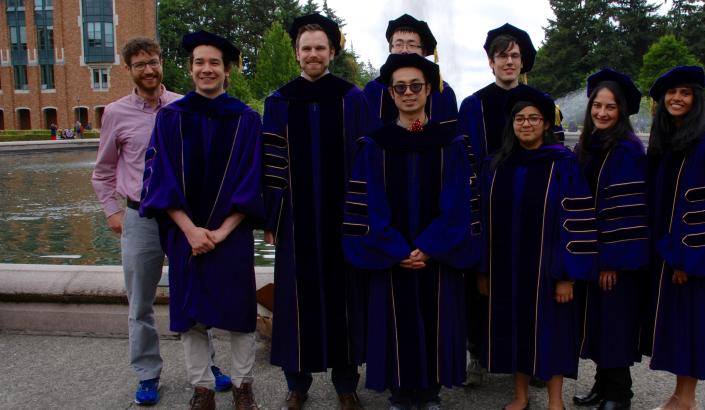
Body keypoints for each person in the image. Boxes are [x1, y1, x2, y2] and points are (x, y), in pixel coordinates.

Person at [91, 37, 232, 406]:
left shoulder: (185, 106)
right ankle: (147, 372)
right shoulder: (116, 113)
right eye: (140, 65)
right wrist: (113, 212)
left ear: (162, 63)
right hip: (140, 216)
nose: (149, 70)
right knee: (140, 302)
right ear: (129, 70)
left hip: (185, 219)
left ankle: (209, 365)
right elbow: (102, 172)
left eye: (153, 62)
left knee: (196, 292)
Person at [343, 53, 478, 410]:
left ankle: (430, 393)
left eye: (415, 86)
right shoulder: (375, 145)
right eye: (400, 87)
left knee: (436, 321)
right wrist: (397, 249)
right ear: (389, 93)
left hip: (437, 256)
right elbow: (369, 202)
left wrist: (430, 246)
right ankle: (400, 394)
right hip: (393, 257)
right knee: (394, 322)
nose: (408, 93)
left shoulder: (450, 144)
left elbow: (459, 201)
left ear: (429, 89)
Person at [139, 31, 264, 410]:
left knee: (241, 314)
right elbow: (158, 179)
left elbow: (253, 179)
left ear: (226, 71)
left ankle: (243, 385)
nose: (206, 69)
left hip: (233, 234)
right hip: (185, 235)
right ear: (190, 69)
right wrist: (191, 230)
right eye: (199, 63)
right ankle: (203, 387)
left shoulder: (246, 119)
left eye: (214, 63)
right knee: (191, 316)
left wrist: (222, 231)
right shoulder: (170, 118)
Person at [261, 13, 373, 410]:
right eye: (306, 48)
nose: (313, 54)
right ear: (296, 53)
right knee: (295, 302)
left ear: (332, 51)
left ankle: (346, 384)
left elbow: (365, 162)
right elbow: (271, 165)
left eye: (319, 48)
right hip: (295, 222)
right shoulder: (279, 101)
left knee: (344, 300)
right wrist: (271, 221)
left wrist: (363, 217)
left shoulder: (352, 98)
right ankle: (298, 384)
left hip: (342, 221)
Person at [457, 23, 563, 387]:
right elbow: (465, 160)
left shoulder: (541, 102)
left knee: (533, 285)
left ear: (523, 62)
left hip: (533, 209)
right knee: (481, 286)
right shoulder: (473, 105)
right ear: (490, 61)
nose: (508, 61)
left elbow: (556, 155)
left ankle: (532, 358)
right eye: (501, 55)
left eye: (514, 55)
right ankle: (478, 356)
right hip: (488, 210)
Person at [480, 86, 597, 410]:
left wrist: (567, 276)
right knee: (515, 331)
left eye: (534, 118)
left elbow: (576, 220)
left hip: (548, 270)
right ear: (512, 124)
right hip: (507, 271)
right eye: (520, 118)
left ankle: (555, 400)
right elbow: (484, 221)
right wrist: (484, 270)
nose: (526, 124)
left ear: (546, 124)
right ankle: (520, 396)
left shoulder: (562, 164)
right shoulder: (497, 165)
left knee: (553, 334)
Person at [643, 66, 705, 410]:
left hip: (691, 259)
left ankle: (685, 400)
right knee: (681, 327)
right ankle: (681, 397)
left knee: (692, 326)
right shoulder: (670, 142)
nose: (677, 98)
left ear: (696, 99)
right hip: (671, 255)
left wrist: (686, 259)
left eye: (685, 93)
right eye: (671, 93)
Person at [572, 69, 648, 410]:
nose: (601, 113)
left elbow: (627, 212)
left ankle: (620, 394)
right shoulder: (589, 145)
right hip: (593, 254)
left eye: (610, 107)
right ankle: (602, 386)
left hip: (615, 259)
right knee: (598, 323)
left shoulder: (627, 150)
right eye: (597, 106)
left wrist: (611, 262)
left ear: (621, 112)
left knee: (614, 323)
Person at [362, 14, 457, 128]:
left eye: (411, 44)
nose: (404, 51)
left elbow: (449, 137)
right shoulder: (374, 91)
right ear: (390, 49)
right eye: (398, 44)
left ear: (424, 52)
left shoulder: (442, 92)